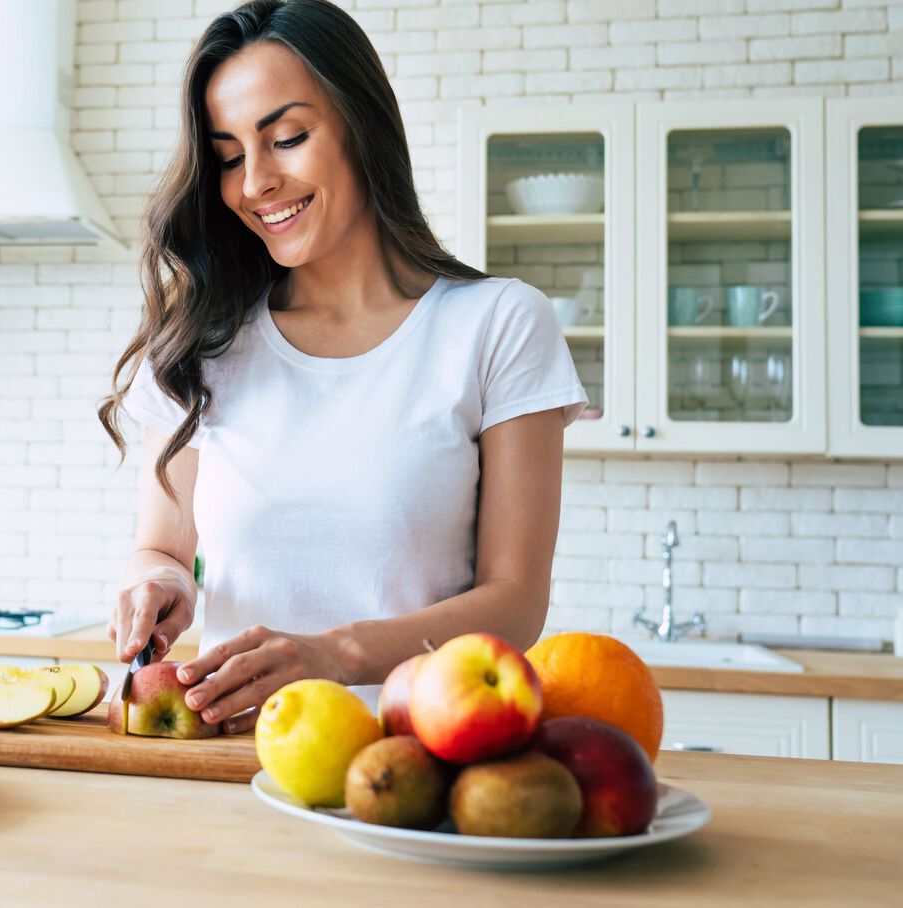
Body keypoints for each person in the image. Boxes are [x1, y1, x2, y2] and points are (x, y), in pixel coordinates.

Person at [97, 0, 587, 733]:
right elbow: (161, 547)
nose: (255, 181)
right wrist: (157, 585)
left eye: (287, 137)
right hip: (231, 762)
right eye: (229, 157)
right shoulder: (202, 343)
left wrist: (334, 653)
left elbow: (515, 603)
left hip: (416, 762)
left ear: (362, 124)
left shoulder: (497, 324)